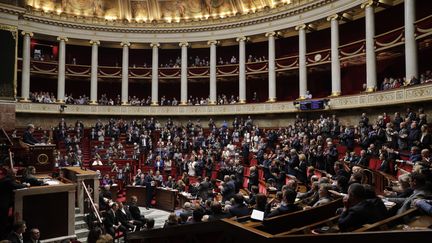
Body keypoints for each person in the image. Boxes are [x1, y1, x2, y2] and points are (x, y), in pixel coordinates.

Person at [0, 168, 26, 239]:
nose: (15, 175)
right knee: (3, 221)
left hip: (4, 202)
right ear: (11, 174)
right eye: (14, 174)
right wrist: (26, 184)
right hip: (3, 204)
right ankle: (2, 237)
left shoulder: (6, 179)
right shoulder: (7, 180)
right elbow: (17, 186)